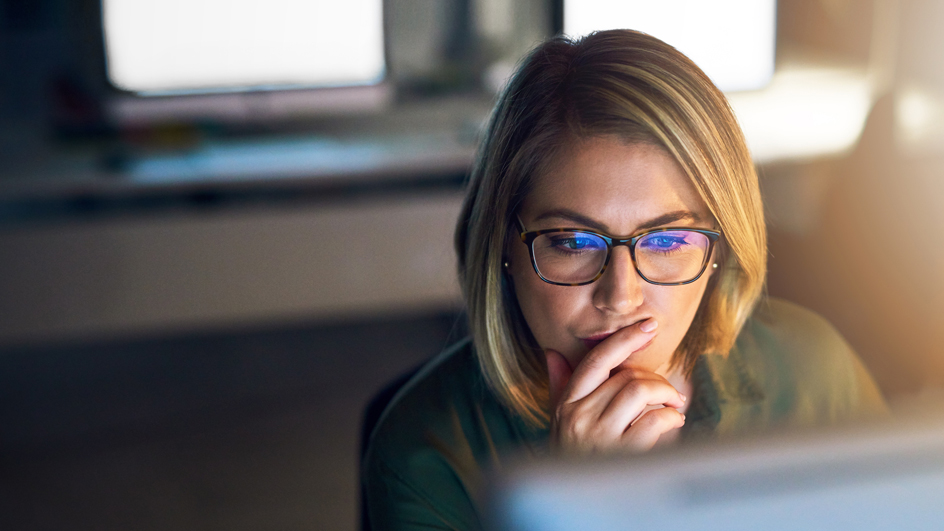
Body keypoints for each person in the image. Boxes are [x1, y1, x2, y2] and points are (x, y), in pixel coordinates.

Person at [362, 29, 887, 530]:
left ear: (720, 248)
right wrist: (583, 505)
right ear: (504, 243)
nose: (621, 297)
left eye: (666, 242)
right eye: (571, 242)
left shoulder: (814, 372)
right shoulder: (424, 455)